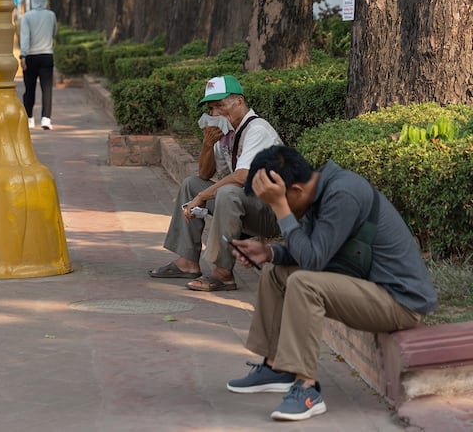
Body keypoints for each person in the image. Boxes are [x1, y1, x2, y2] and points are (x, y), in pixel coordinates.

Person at [225, 145, 437, 421]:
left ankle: (307, 389)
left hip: (400, 302)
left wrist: (280, 209)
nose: (273, 208)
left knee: (304, 283)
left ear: (296, 191)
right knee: (275, 274)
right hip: (367, 288)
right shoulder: (320, 192)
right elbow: (316, 249)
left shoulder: (342, 194)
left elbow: (313, 260)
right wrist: (270, 253)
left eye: (274, 201)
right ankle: (276, 366)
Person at [149, 75, 283, 292]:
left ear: (239, 101)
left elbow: (242, 176)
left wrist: (202, 197)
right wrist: (208, 144)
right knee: (192, 184)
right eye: (212, 108)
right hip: (247, 205)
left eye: (220, 105)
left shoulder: (257, 130)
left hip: (272, 212)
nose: (216, 113)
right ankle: (188, 262)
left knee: (227, 193)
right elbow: (204, 173)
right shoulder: (229, 133)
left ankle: (223, 273)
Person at [19, 0, 57, 130]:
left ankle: (29, 118)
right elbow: (54, 32)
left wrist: (23, 55)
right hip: (47, 56)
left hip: (30, 57)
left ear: (33, 0)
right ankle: (46, 119)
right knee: (47, 89)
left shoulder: (27, 17)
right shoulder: (51, 15)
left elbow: (25, 38)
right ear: (45, 1)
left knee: (30, 89)